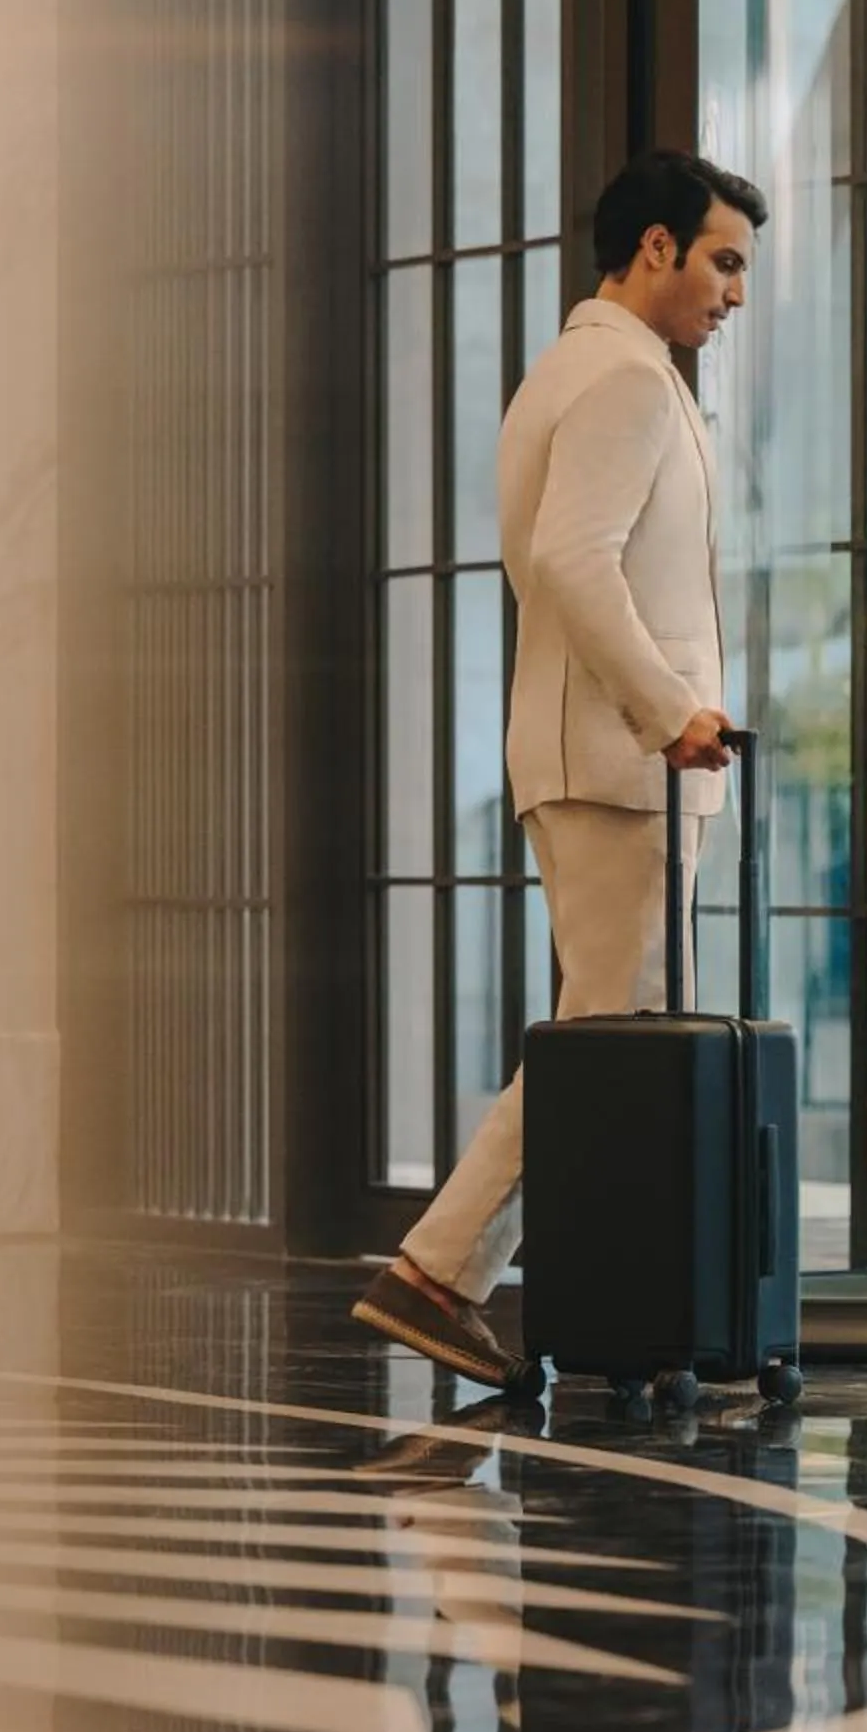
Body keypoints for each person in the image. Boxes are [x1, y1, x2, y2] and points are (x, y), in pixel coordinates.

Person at [352, 148, 765, 1386]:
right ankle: (435, 1272)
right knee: (596, 1041)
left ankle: (472, 1276)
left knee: (598, 1035)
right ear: (655, 248)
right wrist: (671, 712)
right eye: (723, 262)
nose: (735, 293)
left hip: (596, 751)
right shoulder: (624, 384)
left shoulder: (581, 369)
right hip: (618, 761)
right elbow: (576, 560)